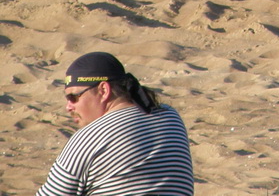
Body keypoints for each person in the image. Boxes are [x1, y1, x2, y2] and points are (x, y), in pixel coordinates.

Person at [36, 51, 194, 196]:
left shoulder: (90, 137)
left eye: (74, 97)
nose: (69, 106)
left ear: (103, 90)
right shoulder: (170, 116)